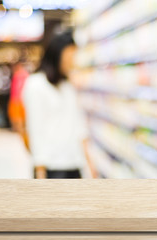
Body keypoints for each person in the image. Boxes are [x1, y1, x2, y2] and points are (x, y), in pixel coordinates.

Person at [23, 30, 96, 179]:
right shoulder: (36, 85)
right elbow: (35, 130)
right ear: (57, 54)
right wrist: (40, 171)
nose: (73, 61)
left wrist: (89, 162)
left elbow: (78, 124)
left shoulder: (67, 85)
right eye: (70, 55)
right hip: (52, 167)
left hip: (74, 164)